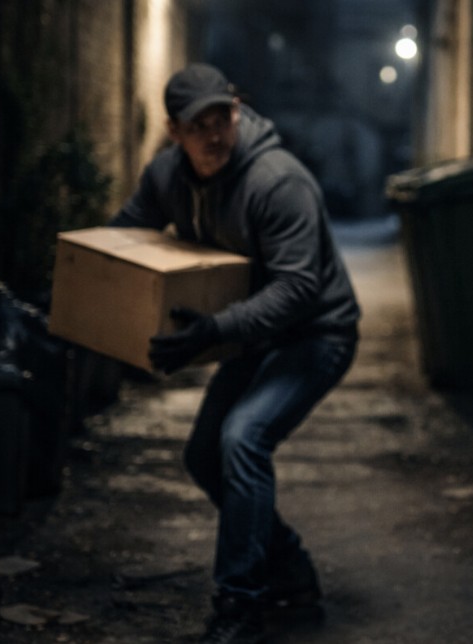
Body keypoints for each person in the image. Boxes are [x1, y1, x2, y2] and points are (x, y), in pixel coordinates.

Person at [112, 63, 360, 643]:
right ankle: (290, 568)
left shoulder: (278, 181)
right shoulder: (167, 175)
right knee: (203, 456)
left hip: (317, 333)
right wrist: (77, 291)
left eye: (222, 117)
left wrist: (211, 331)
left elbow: (298, 290)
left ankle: (239, 607)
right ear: (175, 131)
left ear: (237, 110)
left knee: (242, 438)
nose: (215, 134)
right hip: (253, 335)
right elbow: (125, 237)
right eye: (199, 125)